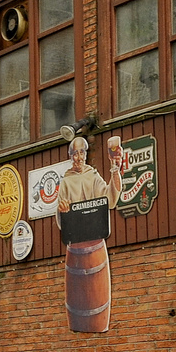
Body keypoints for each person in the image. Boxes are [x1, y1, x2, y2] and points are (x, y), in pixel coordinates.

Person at [55, 135, 122, 333]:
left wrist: (115, 170)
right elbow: (60, 215)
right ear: (70, 156)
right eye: (75, 153)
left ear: (86, 154)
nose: (79, 157)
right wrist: (63, 209)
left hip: (95, 240)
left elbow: (109, 199)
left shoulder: (93, 176)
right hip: (76, 243)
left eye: (82, 152)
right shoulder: (66, 182)